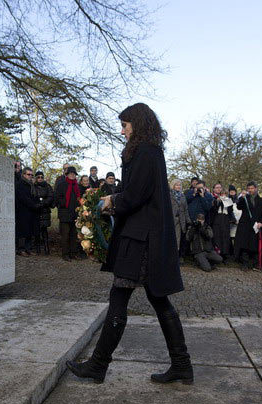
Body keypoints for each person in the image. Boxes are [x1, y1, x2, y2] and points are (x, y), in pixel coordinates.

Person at [66, 103, 191, 385]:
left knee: (121, 298)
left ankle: (98, 365)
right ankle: (182, 364)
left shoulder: (146, 151)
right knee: (157, 299)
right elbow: (138, 192)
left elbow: (136, 194)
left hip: (140, 239)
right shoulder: (148, 151)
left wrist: (112, 200)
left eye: (125, 125)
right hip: (142, 235)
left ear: (137, 123)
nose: (121, 130)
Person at [233, 182, 262, 270]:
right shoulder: (244, 198)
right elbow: (239, 207)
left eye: (252, 188)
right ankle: (244, 263)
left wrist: (261, 223)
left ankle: (254, 263)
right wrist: (241, 198)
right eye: (249, 188)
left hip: (255, 225)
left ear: (256, 188)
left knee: (253, 245)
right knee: (244, 244)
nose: (250, 190)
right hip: (245, 225)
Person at [55, 166, 81, 261]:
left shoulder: (76, 186)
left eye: (74, 174)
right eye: (71, 174)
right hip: (65, 214)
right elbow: (57, 197)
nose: (72, 175)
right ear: (67, 174)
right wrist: (64, 203)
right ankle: (65, 254)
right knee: (65, 235)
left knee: (73, 235)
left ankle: (73, 253)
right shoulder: (62, 184)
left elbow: (78, 199)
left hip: (74, 214)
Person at [14, 167, 39, 256]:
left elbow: (35, 197)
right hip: (22, 211)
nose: (30, 176)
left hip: (31, 211)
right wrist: (33, 205)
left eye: (32, 175)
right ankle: (20, 249)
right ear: (23, 174)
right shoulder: (20, 184)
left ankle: (28, 249)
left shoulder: (32, 185)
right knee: (22, 231)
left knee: (30, 231)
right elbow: (23, 198)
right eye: (28, 174)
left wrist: (37, 204)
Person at [210, 183, 235, 260]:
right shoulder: (214, 198)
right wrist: (218, 201)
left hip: (225, 219)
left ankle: (225, 254)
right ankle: (218, 253)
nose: (223, 195)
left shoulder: (228, 199)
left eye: (225, 194)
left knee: (225, 236)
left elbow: (231, 211)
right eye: (217, 188)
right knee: (217, 236)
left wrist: (228, 203)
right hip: (217, 219)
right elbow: (213, 210)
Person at [33, 171, 55, 255]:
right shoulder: (33, 186)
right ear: (36, 178)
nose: (40, 178)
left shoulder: (47, 186)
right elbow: (32, 196)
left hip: (45, 210)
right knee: (37, 231)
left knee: (44, 231)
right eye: (38, 177)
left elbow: (51, 196)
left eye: (42, 177)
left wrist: (44, 203)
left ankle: (46, 249)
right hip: (36, 210)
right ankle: (38, 249)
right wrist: (36, 204)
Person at [170, 179, 190, 253]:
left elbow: (186, 209)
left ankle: (176, 256)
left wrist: (188, 220)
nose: (178, 186)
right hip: (171, 220)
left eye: (180, 185)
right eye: (177, 185)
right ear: (173, 185)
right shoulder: (169, 195)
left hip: (180, 220)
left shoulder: (182, 196)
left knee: (178, 239)